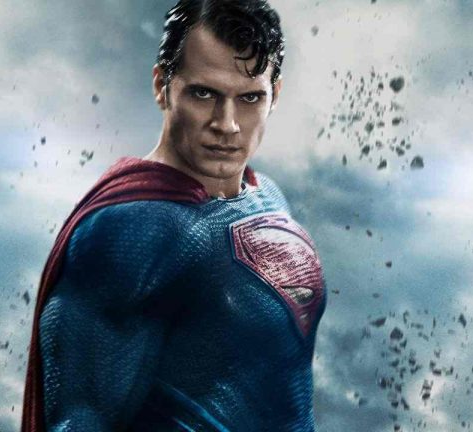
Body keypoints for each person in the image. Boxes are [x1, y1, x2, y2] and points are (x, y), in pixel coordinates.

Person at [21, 0, 327, 430]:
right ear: (162, 86)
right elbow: (80, 417)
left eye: (249, 98)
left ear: (274, 95)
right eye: (204, 94)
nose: (227, 124)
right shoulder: (130, 232)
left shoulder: (266, 197)